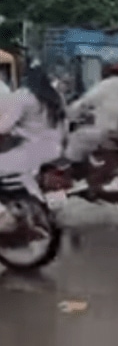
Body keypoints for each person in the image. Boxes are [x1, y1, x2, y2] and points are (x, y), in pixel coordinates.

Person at [0, 66, 65, 230]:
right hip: (55, 149)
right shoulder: (56, 97)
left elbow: (4, 127)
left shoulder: (24, 96)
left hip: (29, 152)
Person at [63, 61, 118, 191]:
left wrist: (69, 114)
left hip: (110, 132)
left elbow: (84, 103)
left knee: (77, 137)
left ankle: (74, 176)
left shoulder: (105, 86)